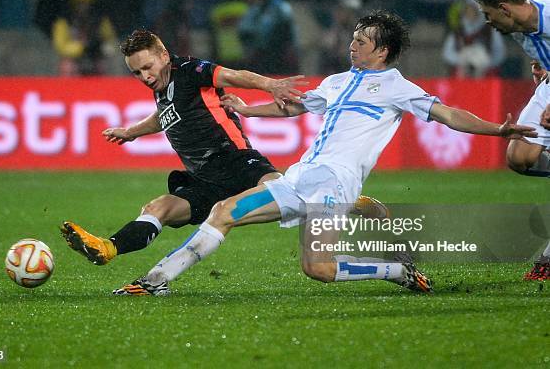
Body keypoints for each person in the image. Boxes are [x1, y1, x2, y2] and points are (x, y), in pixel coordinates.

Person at [112, 11, 536, 296]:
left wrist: (498, 129)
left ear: (382, 51)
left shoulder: (396, 87)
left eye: (362, 41)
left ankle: (395, 270)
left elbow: (448, 114)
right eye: (353, 38)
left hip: (334, 182)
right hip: (301, 176)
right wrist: (248, 109)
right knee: (222, 211)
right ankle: (156, 280)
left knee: (317, 268)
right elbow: (294, 106)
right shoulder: (335, 82)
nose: (353, 45)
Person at [59, 29, 386, 274]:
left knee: (284, 189)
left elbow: (232, 75)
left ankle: (346, 202)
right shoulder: (163, 88)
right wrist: (131, 132)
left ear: (162, 54)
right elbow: (165, 116)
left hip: (237, 161)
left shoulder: (189, 70)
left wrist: (269, 85)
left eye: (147, 67)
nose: (145, 77)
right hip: (204, 179)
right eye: (136, 73)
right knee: (160, 206)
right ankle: (107, 247)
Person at [473, 0, 550, 280]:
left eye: (488, 14)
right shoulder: (519, 27)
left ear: (504, 9)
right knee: (520, 157)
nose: (488, 22)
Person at [239, 0, 299, 75]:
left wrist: (291, 51)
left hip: (279, 56)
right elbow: (245, 32)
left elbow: (288, 30)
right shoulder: (254, 9)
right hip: (259, 57)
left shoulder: (279, 7)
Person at [52, 0, 117, 76]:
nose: (84, 6)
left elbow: (111, 41)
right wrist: (80, 46)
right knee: (67, 66)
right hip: (74, 58)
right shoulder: (64, 22)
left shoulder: (100, 21)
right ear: (74, 5)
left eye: (87, 3)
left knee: (104, 65)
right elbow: (61, 46)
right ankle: (67, 89)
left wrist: (102, 47)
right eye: (80, 3)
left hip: (95, 56)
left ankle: (104, 88)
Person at [442, 0, 506, 78]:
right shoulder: (458, 30)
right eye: (467, 10)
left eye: (473, 10)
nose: (470, 13)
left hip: (486, 73)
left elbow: (500, 53)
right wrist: (462, 61)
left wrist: (486, 62)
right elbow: (447, 53)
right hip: (462, 72)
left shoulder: (490, 30)